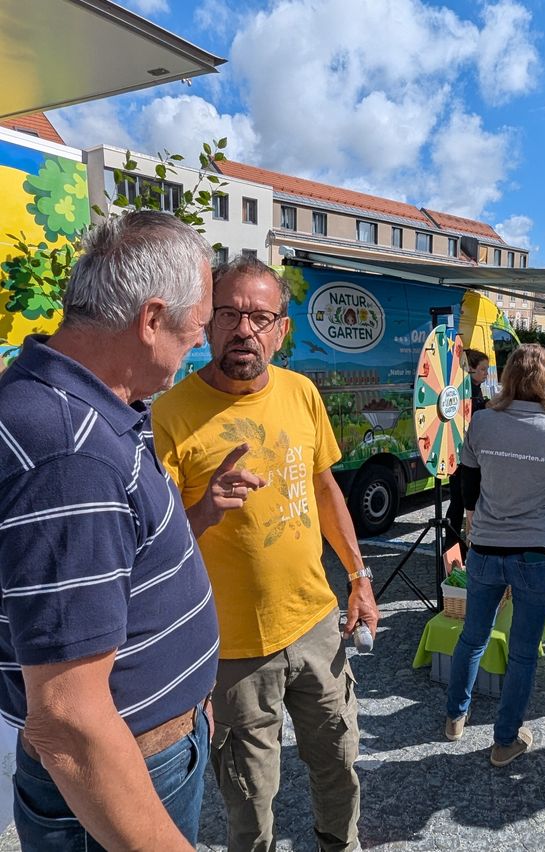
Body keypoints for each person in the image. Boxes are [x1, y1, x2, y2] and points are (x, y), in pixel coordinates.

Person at [0, 211, 219, 850]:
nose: (194, 352)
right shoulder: (72, 451)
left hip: (141, 752)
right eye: (195, 331)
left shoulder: (72, 402)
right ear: (151, 320)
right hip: (123, 778)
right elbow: (68, 718)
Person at [153, 255, 379, 852]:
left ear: (281, 329)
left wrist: (358, 575)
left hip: (315, 626)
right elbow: (153, 549)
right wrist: (204, 509)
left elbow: (326, 489)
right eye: (228, 313)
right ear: (206, 324)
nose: (243, 329)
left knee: (338, 765)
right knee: (249, 799)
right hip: (232, 649)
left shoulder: (302, 393)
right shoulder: (170, 416)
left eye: (259, 316)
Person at [444, 344, 545, 767]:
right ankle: (504, 740)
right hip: (537, 551)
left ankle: (454, 716)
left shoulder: (482, 422)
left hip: (486, 546)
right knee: (523, 650)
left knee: (473, 635)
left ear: (509, 379)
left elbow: (466, 488)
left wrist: (473, 523)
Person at [445, 349, 489, 555]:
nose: (485, 374)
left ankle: (460, 543)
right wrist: (485, 405)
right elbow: (465, 414)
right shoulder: (464, 390)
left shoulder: (476, 387)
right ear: (469, 369)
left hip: (472, 453)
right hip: (462, 455)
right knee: (459, 502)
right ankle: (452, 544)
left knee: (464, 502)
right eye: (482, 369)